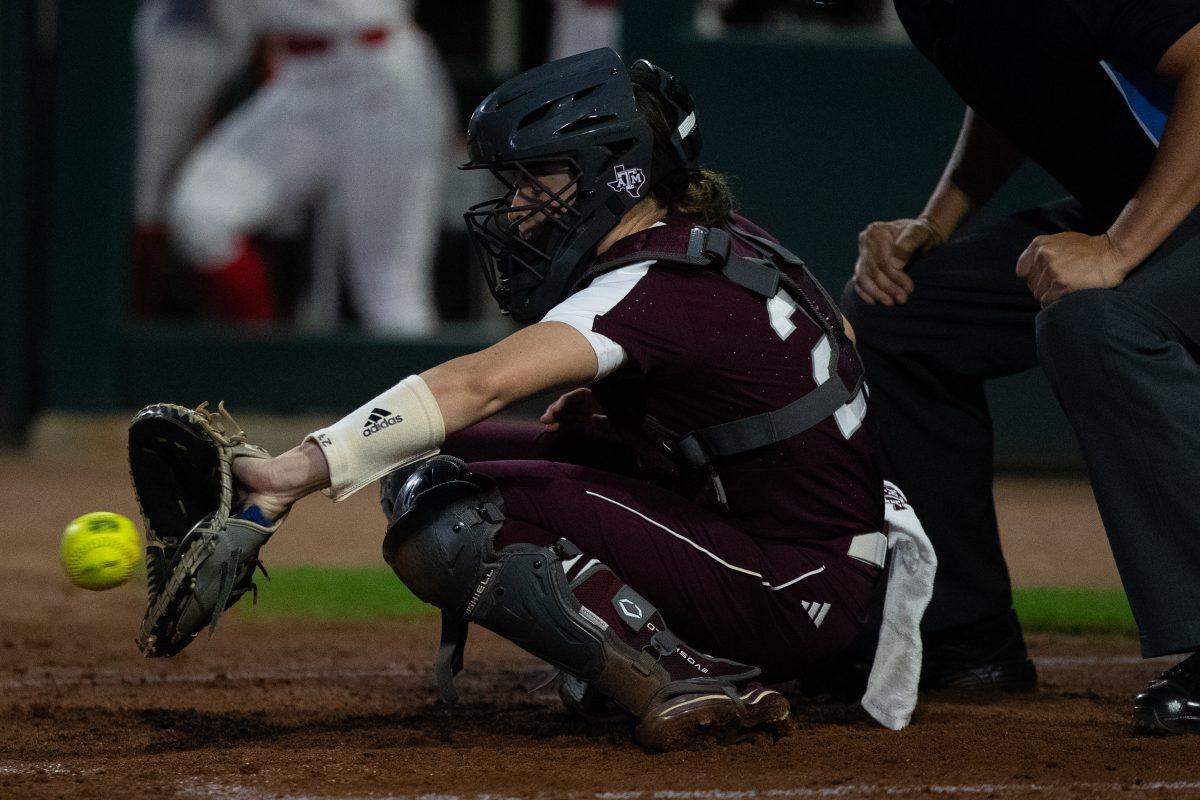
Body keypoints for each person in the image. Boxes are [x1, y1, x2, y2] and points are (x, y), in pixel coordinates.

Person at [130, 49, 934, 750]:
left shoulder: (649, 283)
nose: (518, 206)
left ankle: (686, 674)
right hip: (808, 558)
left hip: (794, 592)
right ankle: (668, 644)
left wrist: (286, 477)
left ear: (615, 170)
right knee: (432, 464)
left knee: (446, 520)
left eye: (539, 177)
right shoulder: (719, 239)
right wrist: (641, 422)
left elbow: (476, 384)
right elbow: (832, 365)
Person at [841, 0, 1200, 731]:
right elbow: (1017, 82)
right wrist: (937, 220)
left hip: (1153, 213)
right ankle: (964, 634)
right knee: (899, 309)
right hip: (1143, 206)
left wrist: (1119, 248)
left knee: (1097, 321)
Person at [132, 0, 452, 331]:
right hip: (299, 79)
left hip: (377, 72)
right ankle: (265, 374)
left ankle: (442, 381)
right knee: (201, 214)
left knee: (392, 298)